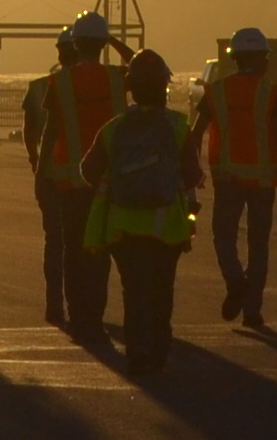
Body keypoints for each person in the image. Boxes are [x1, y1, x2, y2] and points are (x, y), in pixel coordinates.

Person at [80, 50, 201, 374]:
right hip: (167, 228)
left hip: (124, 226)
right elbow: (193, 175)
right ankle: (159, 352)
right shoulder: (178, 126)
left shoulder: (114, 128)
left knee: (134, 292)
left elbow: (88, 169)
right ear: (165, 86)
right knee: (162, 291)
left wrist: (118, 179)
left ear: (130, 88)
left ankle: (136, 353)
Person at [25, 13, 128, 335]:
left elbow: (51, 130)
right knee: (100, 250)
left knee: (72, 249)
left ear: (73, 44)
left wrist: (41, 175)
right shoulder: (117, 77)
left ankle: (77, 315)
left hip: (69, 181)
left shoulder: (59, 83)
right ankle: (95, 315)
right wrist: (112, 39)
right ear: (101, 44)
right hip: (108, 181)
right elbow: (152, 67)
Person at [192, 26, 277, 327]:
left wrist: (193, 170)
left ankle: (236, 281)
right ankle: (252, 309)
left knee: (224, 238)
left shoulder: (216, 91)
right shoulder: (272, 93)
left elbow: (195, 134)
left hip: (228, 179)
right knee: (258, 245)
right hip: (262, 181)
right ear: (259, 58)